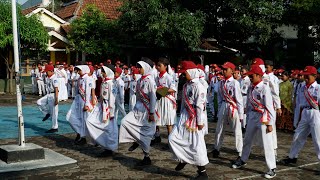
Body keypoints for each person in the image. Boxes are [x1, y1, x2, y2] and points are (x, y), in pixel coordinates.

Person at [231, 65, 277, 179]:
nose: (250, 77)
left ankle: (272, 168)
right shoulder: (251, 87)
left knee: (267, 143)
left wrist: (270, 124)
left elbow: (269, 107)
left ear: (258, 75)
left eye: (252, 75)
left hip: (263, 117)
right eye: (250, 75)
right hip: (252, 116)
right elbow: (248, 104)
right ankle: (243, 159)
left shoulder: (264, 87)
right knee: (247, 139)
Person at [169, 61, 209, 180]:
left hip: (195, 118)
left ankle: (203, 173)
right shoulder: (186, 85)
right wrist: (180, 115)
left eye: (184, 72)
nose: (183, 74)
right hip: (184, 116)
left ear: (191, 72)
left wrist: (200, 122)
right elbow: (184, 103)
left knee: (196, 144)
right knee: (173, 138)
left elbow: (200, 106)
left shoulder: (199, 86)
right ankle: (184, 158)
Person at [119, 57, 157, 166]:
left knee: (145, 133)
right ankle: (136, 140)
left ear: (146, 67)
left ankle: (146, 156)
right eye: (138, 66)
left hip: (146, 111)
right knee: (125, 122)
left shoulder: (150, 80)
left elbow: (153, 98)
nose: (138, 69)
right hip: (137, 109)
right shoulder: (140, 80)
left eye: (140, 67)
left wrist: (151, 113)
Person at [282, 66, 320, 165]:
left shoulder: (318, 88)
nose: (306, 78)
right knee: (297, 135)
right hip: (305, 113)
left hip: (315, 113)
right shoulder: (303, 87)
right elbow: (299, 103)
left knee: (317, 140)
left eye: (308, 76)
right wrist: (297, 118)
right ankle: (292, 157)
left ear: (315, 76)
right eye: (305, 76)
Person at [212, 62, 244, 158]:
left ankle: (240, 152)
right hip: (224, 105)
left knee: (236, 130)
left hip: (233, 107)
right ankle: (216, 148)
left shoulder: (235, 83)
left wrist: (241, 114)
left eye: (226, 69)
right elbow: (220, 97)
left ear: (232, 70)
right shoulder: (221, 82)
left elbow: (239, 100)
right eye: (223, 69)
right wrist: (220, 109)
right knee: (219, 129)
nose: (224, 71)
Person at [252, 58, 281, 160]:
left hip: (268, 108)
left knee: (271, 130)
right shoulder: (254, 77)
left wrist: (278, 106)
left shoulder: (269, 78)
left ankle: (274, 153)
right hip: (258, 109)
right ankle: (267, 151)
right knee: (260, 132)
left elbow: (275, 92)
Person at [86, 65, 118, 157]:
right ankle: (101, 142)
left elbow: (112, 98)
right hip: (101, 105)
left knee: (109, 128)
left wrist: (111, 112)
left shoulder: (111, 83)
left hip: (107, 108)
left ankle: (109, 148)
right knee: (91, 121)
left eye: (103, 71)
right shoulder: (104, 82)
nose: (102, 73)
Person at [152, 57, 177, 146]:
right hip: (159, 99)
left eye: (160, 65)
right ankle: (157, 136)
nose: (158, 67)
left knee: (168, 121)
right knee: (156, 119)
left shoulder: (169, 77)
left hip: (167, 101)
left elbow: (173, 89)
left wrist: (162, 90)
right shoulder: (157, 77)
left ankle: (170, 141)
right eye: (157, 65)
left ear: (165, 66)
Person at [66, 65, 94, 145]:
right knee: (71, 117)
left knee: (84, 119)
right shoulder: (80, 78)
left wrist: (87, 104)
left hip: (84, 101)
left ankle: (84, 137)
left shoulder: (87, 79)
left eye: (79, 70)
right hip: (78, 100)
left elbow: (88, 92)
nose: (78, 72)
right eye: (77, 70)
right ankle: (80, 133)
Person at [37, 64, 59, 133]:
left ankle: (55, 127)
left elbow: (56, 89)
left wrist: (56, 99)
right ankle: (47, 113)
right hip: (48, 94)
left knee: (54, 113)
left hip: (53, 95)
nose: (46, 73)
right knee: (39, 102)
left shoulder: (54, 78)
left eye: (47, 71)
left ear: (51, 71)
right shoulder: (48, 77)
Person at [240, 65, 251, 133]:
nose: (241, 73)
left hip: (245, 96)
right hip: (241, 96)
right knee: (241, 111)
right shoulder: (240, 79)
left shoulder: (248, 80)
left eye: (242, 71)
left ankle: (245, 126)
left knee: (245, 112)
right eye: (241, 71)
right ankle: (242, 126)